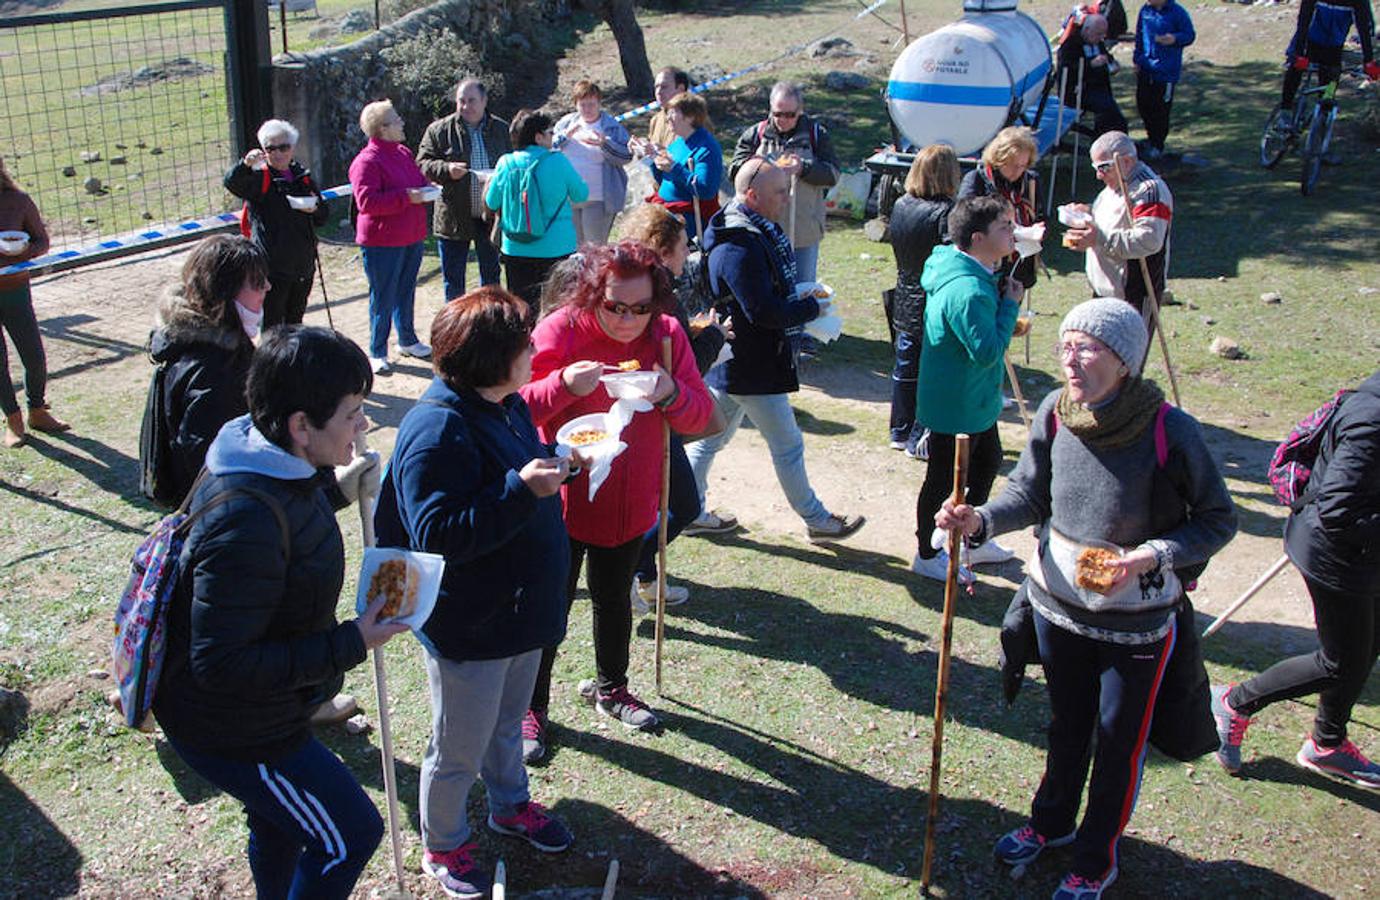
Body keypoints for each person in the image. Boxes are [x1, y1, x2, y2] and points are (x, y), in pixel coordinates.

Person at [937, 297, 1236, 899]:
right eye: (1066, 345)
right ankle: (1049, 824)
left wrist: (1151, 555)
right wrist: (979, 521)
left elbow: (1217, 519)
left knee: (1118, 743)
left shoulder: (1168, 429)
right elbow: (1028, 493)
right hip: (1056, 607)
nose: (1071, 359)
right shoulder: (1055, 411)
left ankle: (1097, 859)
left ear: (1123, 360)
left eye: (1088, 347)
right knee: (1067, 725)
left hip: (1138, 620)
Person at [152, 326, 408, 899]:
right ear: (300, 426)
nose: (363, 425)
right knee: (350, 832)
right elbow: (220, 662)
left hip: (266, 708)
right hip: (236, 727)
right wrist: (352, 641)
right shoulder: (245, 518)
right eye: (351, 414)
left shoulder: (266, 456)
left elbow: (288, 517)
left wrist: (335, 492)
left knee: (280, 823)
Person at [374, 288, 574, 896]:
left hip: (520, 611)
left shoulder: (504, 404)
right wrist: (520, 489)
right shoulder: (438, 429)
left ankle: (510, 806)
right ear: (493, 357)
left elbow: (521, 463)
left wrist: (555, 463)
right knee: (458, 744)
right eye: (524, 342)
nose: (535, 348)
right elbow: (439, 533)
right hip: (475, 621)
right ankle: (444, 844)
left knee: (509, 721)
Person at [519, 240, 713, 747]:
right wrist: (562, 383)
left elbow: (703, 416)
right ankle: (530, 707)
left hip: (631, 498)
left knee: (614, 598)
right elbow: (515, 407)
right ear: (591, 295)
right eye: (615, 307)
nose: (629, 320)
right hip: (560, 496)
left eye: (641, 308)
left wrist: (670, 391)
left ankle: (613, 689)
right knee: (549, 607)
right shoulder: (560, 329)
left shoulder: (666, 336)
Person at [1211, 369, 1380, 789]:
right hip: (1334, 553)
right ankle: (1233, 703)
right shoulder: (1372, 421)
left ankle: (1327, 744)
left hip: (1365, 552)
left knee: (1370, 642)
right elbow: (1339, 510)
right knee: (1340, 662)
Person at [687, 159, 865, 543]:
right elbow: (763, 311)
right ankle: (817, 521)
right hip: (750, 364)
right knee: (787, 445)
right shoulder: (739, 245)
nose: (787, 198)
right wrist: (810, 308)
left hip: (735, 360)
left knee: (710, 439)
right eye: (780, 192)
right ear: (752, 196)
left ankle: (686, 509)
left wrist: (798, 298)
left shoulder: (748, 230)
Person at [619, 202, 734, 613]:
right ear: (661, 249)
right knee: (682, 504)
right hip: (650, 420)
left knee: (661, 503)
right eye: (684, 246)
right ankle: (624, 570)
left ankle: (643, 575)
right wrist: (715, 335)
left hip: (649, 416)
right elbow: (678, 370)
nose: (689, 253)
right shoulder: (655, 291)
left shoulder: (642, 285)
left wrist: (696, 332)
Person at [909, 196, 1024, 583]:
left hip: (976, 399)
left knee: (989, 460)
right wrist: (1009, 307)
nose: (1013, 232)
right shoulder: (968, 290)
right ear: (977, 239)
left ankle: (972, 536)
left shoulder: (973, 270)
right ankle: (927, 553)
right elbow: (988, 352)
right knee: (943, 479)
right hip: (954, 404)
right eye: (1005, 227)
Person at [147, 235, 263, 505]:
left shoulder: (201, 345)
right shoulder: (214, 371)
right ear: (225, 292)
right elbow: (209, 459)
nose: (267, 287)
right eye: (257, 283)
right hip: (223, 506)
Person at [886, 144, 960, 461]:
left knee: (905, 367)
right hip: (931, 297)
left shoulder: (901, 204)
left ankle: (899, 429)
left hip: (904, 292)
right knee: (929, 371)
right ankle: (919, 434)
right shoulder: (946, 213)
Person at [349, 99, 432, 375]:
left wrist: (430, 188)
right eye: (397, 119)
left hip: (412, 234)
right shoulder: (366, 161)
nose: (402, 122)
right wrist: (406, 197)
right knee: (383, 295)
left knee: (406, 289)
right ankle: (377, 350)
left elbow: (418, 182)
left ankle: (407, 339)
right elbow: (367, 202)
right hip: (382, 241)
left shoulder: (403, 152)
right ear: (382, 128)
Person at [729, 81, 840, 285]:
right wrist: (762, 168)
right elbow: (735, 171)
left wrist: (803, 168)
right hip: (762, 234)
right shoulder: (756, 134)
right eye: (778, 114)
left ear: (800, 111)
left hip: (803, 234)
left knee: (802, 289)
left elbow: (832, 175)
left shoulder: (816, 135)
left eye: (790, 115)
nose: (783, 120)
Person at [224, 119, 329, 328]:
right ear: (264, 151)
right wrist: (245, 164)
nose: (278, 153)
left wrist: (314, 208)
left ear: (292, 147)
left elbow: (323, 216)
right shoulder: (260, 179)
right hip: (272, 269)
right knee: (272, 324)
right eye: (271, 148)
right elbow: (232, 183)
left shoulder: (302, 177)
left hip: (303, 265)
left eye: (284, 147)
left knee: (296, 321)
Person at [1062, 131, 1172, 328]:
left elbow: (1149, 240)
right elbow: (1115, 217)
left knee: (1127, 356)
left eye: (1103, 167)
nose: (1098, 175)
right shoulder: (1114, 185)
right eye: (1095, 167)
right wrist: (1087, 212)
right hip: (1104, 289)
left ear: (1127, 161)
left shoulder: (1148, 191)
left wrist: (1099, 239)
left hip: (1134, 290)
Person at [417, 78, 511, 301]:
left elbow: (513, 161)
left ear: (485, 101)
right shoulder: (439, 130)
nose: (466, 106)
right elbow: (422, 163)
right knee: (453, 283)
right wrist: (446, 169)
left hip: (490, 215)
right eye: (461, 101)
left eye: (472, 101)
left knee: (491, 279)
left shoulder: (501, 129)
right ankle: (454, 331)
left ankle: (491, 324)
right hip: (454, 216)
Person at [486, 109, 588, 307]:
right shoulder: (558, 161)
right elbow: (581, 194)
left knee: (522, 307)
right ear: (538, 137)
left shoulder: (505, 163)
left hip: (516, 246)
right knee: (557, 307)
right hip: (557, 247)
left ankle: (526, 338)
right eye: (550, 132)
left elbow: (492, 202)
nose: (553, 137)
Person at [0, 156, 66, 448]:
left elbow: (43, 241)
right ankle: (12, 419)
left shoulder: (18, 201)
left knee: (34, 355)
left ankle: (36, 410)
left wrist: (23, 251)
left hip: (16, 291)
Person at [957, 126, 1043, 292]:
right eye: (1011, 165)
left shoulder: (1030, 182)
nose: (1016, 171)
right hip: (987, 263)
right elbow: (963, 220)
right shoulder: (977, 180)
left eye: (1022, 165)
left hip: (1020, 263)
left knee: (1011, 312)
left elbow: (1041, 215)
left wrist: (1037, 230)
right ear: (998, 158)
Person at [553, 80, 632, 246]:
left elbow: (626, 156)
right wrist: (564, 137)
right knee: (573, 248)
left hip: (598, 198)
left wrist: (605, 143)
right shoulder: (565, 124)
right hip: (568, 198)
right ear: (576, 105)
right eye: (583, 105)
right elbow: (550, 151)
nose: (587, 109)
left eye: (592, 104)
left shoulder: (611, 127)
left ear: (599, 103)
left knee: (594, 249)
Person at [1277, 0, 1378, 127]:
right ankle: (1285, 110)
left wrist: (1368, 61)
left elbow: (1364, 28)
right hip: (1308, 41)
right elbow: (1304, 20)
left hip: (1334, 45)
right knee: (1295, 68)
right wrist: (1299, 53)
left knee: (1331, 79)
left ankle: (1323, 112)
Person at [648, 93, 723, 240]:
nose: (668, 117)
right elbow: (665, 180)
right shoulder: (678, 143)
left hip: (688, 222)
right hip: (666, 213)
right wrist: (652, 159)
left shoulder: (706, 148)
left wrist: (675, 168)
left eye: (673, 112)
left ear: (690, 117)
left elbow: (706, 190)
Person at [1132, 0, 1195, 159]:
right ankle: (1150, 137)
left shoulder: (1176, 11)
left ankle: (1157, 144)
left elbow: (1189, 35)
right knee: (1143, 104)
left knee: (1160, 109)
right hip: (1146, 67)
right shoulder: (1145, 11)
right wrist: (1137, 59)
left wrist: (1174, 38)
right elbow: (1140, 35)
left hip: (1166, 71)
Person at [1058, 13, 1130, 139]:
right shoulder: (1070, 45)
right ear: (1087, 30)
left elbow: (1107, 57)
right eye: (1098, 34)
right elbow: (1066, 69)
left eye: (1103, 34)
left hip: (1099, 88)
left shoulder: (1098, 43)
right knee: (1107, 109)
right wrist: (1090, 64)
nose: (1101, 37)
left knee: (1113, 113)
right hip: (1078, 91)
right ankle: (1104, 139)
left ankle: (1119, 139)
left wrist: (1112, 64)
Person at [644, 66, 690, 151]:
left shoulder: (692, 119)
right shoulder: (655, 120)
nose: (658, 92)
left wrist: (663, 153)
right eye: (656, 87)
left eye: (664, 87)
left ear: (681, 89)